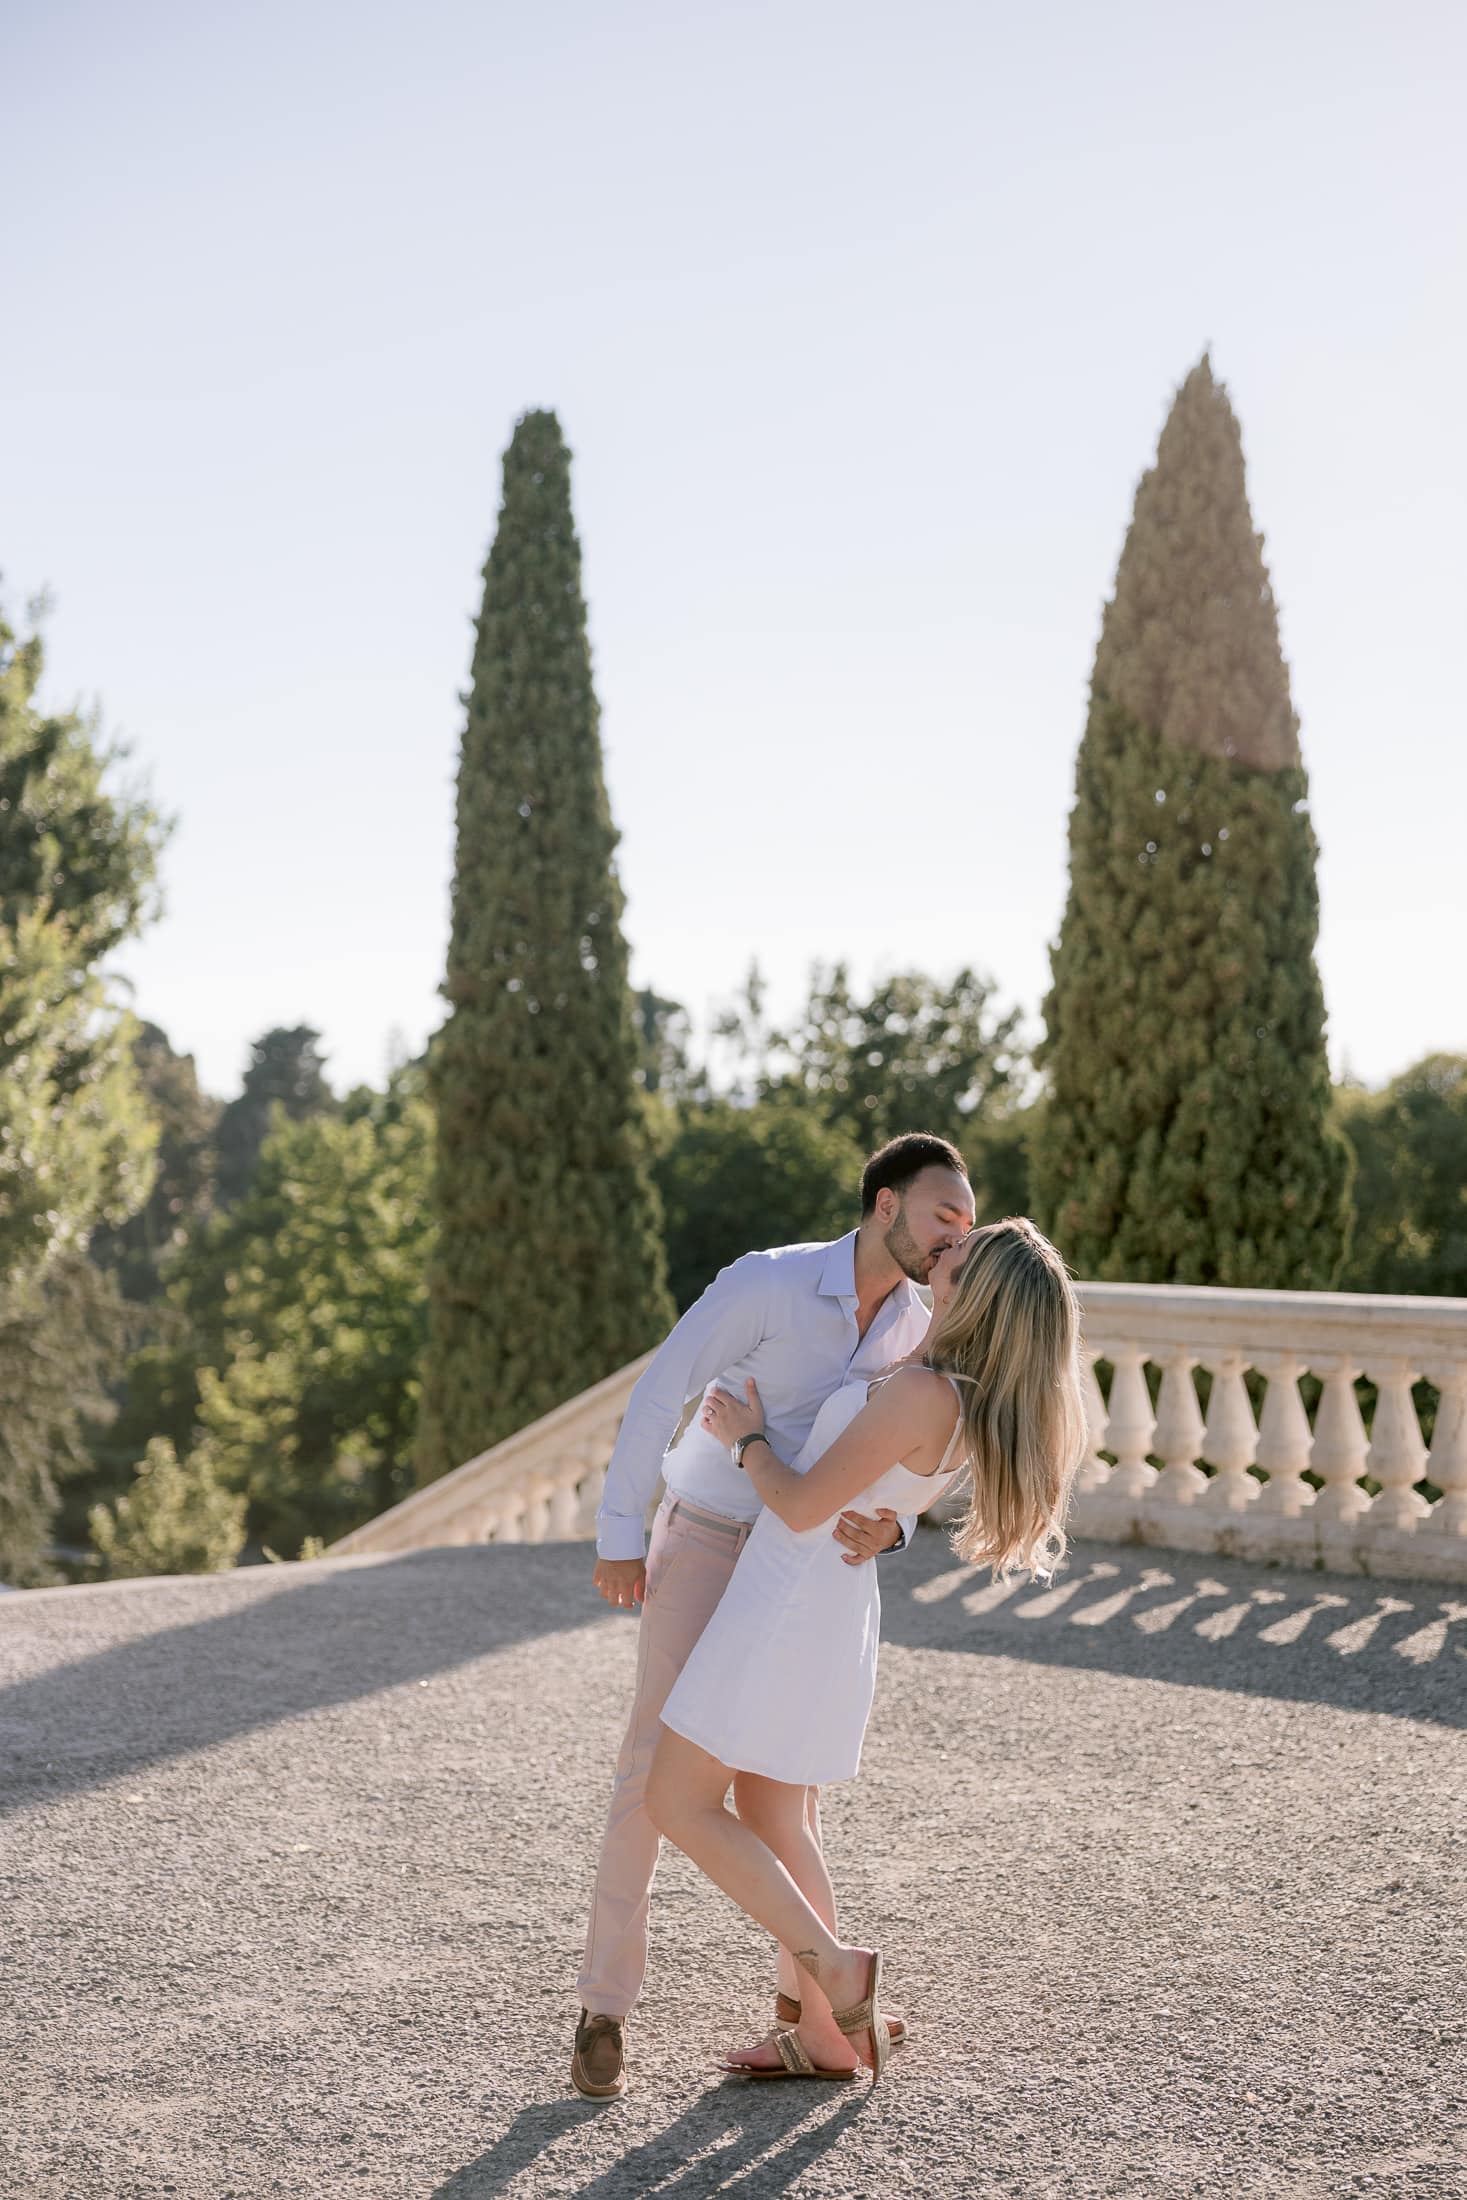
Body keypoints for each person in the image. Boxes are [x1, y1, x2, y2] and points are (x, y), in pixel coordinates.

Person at [570, 1133, 977, 2100]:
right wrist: (620, 1531)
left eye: (965, 1220)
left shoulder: (926, 1325)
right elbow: (662, 1386)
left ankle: (818, 2016)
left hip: (808, 1572)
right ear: (886, 1205)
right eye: (943, 1216)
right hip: (710, 1538)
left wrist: (898, 1534)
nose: (956, 1234)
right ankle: (603, 2009)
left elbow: (930, 1449)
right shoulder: (767, 1283)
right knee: (650, 1773)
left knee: (784, 1799)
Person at [646, 1217, 1087, 2086]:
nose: (945, 1247)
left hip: (783, 1604)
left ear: (978, 1287)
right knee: (778, 1817)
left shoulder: (924, 1390)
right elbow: (880, 1490)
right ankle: (823, 2034)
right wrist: (892, 1529)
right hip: (824, 1605)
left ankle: (838, 1969)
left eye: (963, 1247)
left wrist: (745, 1437)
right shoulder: (950, 1389)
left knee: (675, 1802)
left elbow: (804, 1502)